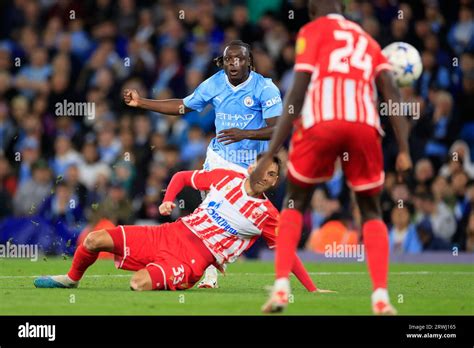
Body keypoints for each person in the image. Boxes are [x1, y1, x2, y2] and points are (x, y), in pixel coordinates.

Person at [251, 0, 412, 314]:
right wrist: (404, 148)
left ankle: (282, 289)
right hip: (364, 125)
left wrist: (269, 154)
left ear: (312, 12)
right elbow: (391, 91)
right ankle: (381, 297)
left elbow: (297, 93)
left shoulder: (312, 31)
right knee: (370, 209)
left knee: (295, 201)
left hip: (322, 122)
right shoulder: (367, 39)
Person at [34, 156, 321, 294]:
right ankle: (71, 279)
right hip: (168, 233)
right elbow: (182, 177)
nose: (266, 177)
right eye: (262, 170)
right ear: (250, 168)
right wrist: (167, 201)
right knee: (94, 239)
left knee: (139, 284)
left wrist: (310, 289)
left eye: (272, 175)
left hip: (193, 259)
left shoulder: (267, 214)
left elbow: (286, 251)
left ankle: (168, 279)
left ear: (275, 181)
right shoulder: (224, 178)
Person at [123, 40, 283, 288]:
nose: (234, 63)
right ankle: (207, 270)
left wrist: (245, 134)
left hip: (249, 166)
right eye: (229, 59)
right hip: (219, 158)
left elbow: (278, 128)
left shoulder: (265, 88)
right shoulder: (216, 82)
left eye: (239, 59)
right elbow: (183, 106)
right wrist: (142, 102)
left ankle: (213, 262)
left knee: (231, 220)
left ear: (249, 61)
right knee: (208, 211)